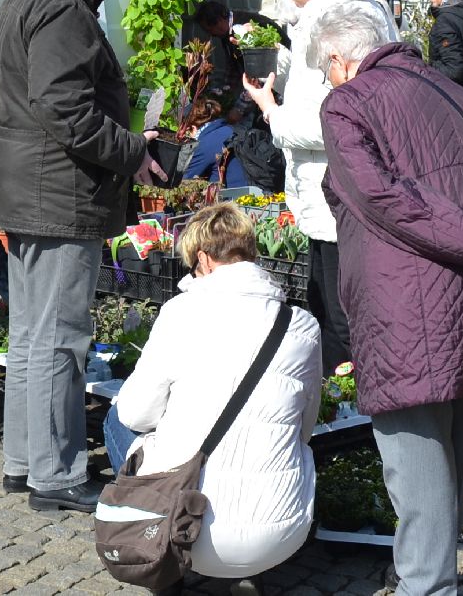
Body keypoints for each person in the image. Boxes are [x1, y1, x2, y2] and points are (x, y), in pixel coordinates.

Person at [310, 3, 463, 596]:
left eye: (325, 70)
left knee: (417, 469)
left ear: (341, 61)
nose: (328, 80)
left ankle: (427, 585)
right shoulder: (462, 96)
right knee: (451, 454)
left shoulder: (348, 101)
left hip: (403, 305)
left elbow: (377, 193)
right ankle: (430, 572)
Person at [0, 0, 152, 512]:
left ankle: (25, 462)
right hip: (56, 192)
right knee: (58, 339)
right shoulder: (63, 6)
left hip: (27, 187)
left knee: (31, 336)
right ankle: (54, 475)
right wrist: (133, 152)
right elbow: (65, 109)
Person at [104, 204, 323, 586]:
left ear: (203, 259)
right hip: (280, 531)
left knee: (117, 417)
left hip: (189, 526)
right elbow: (305, 429)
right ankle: (248, 573)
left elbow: (136, 416)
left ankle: (161, 561)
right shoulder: (301, 324)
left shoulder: (181, 312)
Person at [242, 0, 396, 373]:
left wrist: (272, 111)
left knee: (341, 315)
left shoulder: (343, 19)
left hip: (338, 188)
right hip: (325, 189)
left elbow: (339, 118)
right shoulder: (336, 12)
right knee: (325, 305)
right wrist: (278, 66)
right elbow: (317, 89)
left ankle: (356, 413)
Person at [189, 0, 243, 110]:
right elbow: (233, 67)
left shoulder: (243, 29)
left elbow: (256, 75)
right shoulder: (226, 35)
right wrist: (224, 94)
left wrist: (240, 108)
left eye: (209, 30)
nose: (211, 35)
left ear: (218, 22)